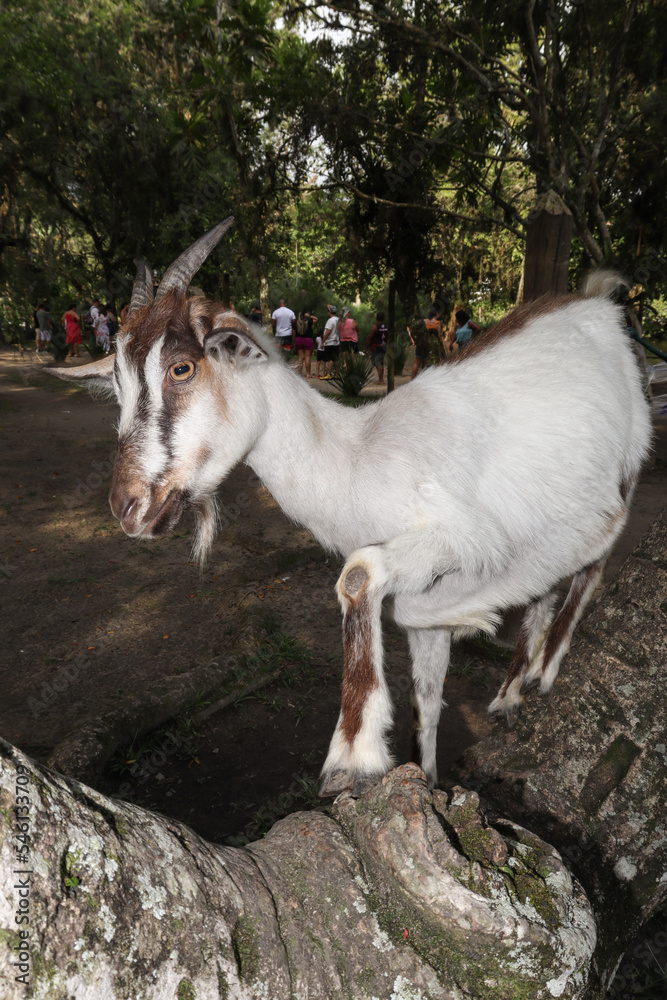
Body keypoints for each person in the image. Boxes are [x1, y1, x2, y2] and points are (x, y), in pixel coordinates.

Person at [411, 305, 445, 378]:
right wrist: (442, 346)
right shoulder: (437, 323)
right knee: (431, 363)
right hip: (431, 346)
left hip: (420, 344)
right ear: (437, 314)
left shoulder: (423, 321)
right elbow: (439, 336)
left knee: (417, 363)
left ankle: (413, 379)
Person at [368, 311, 388, 385]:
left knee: (377, 362)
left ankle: (381, 380)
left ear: (376, 318)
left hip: (375, 347)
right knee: (380, 362)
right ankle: (381, 379)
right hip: (383, 346)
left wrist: (366, 347)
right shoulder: (386, 326)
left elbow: (370, 337)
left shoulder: (375, 327)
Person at [320, 304, 339, 379]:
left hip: (330, 342)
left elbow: (327, 332)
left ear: (329, 312)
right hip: (336, 341)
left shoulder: (330, 320)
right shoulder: (338, 320)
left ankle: (328, 374)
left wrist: (322, 342)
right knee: (336, 359)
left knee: (330, 359)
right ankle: (337, 374)